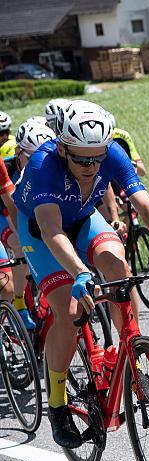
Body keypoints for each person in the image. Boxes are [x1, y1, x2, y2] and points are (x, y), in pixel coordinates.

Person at [14, 100, 149, 449]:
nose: (91, 165)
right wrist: (82, 272)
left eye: (97, 157)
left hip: (83, 218)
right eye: (82, 158)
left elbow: (145, 204)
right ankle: (57, 404)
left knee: (119, 268)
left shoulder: (110, 153)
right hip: (40, 231)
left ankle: (133, 356)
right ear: (62, 147)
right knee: (68, 313)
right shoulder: (44, 165)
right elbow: (52, 229)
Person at [0, 120, 57, 329]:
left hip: (11, 212)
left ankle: (26, 298)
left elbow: (14, 206)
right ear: (18, 153)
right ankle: (19, 302)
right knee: (17, 244)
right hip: (2, 214)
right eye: (30, 156)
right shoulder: (9, 164)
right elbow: (10, 206)